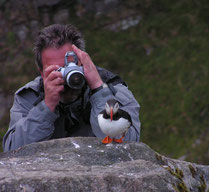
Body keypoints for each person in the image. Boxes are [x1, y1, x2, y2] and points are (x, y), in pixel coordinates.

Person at [3, 24, 141, 152]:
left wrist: (99, 90)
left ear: (83, 61)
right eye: (57, 70)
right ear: (42, 73)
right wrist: (46, 106)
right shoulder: (30, 95)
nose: (66, 75)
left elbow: (128, 146)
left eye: (70, 65)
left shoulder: (113, 88)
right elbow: (13, 151)